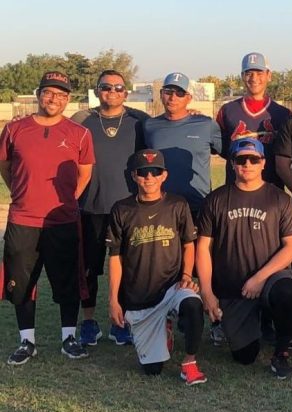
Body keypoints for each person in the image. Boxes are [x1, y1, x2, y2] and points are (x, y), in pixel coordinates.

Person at [2, 71, 95, 365]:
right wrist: (23, 193)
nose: (54, 99)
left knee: (67, 281)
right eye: (49, 92)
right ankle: (27, 341)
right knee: (21, 282)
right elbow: (5, 166)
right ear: (39, 94)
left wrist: (66, 200)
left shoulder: (79, 133)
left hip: (62, 221)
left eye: (61, 94)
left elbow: (84, 173)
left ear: (68, 99)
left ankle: (68, 338)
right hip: (23, 219)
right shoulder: (14, 129)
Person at [196, 139, 292, 379]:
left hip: (270, 277)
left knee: (287, 291)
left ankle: (281, 354)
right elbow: (202, 247)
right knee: (244, 356)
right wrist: (207, 291)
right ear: (232, 164)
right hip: (234, 287)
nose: (247, 164)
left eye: (254, 159)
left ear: (263, 163)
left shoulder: (279, 198)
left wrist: (260, 278)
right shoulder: (216, 199)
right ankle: (247, 324)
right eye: (241, 159)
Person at [106, 149, 206, 385]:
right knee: (152, 370)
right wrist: (113, 300)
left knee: (193, 304)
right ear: (134, 176)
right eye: (143, 172)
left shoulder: (177, 204)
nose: (149, 177)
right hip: (139, 296)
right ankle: (164, 328)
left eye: (155, 171)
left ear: (164, 175)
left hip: (172, 286)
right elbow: (115, 257)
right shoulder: (122, 209)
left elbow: (188, 244)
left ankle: (189, 363)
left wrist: (186, 275)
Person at [70, 69, 149, 345]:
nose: (112, 92)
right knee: (89, 269)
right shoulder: (82, 120)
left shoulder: (140, 122)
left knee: (128, 267)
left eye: (118, 87)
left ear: (126, 92)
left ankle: (121, 321)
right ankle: (89, 322)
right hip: (91, 206)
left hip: (128, 208)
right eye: (106, 87)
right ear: (97, 91)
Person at [144, 72, 222, 216]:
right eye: (168, 92)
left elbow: (224, 151)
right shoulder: (149, 126)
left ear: (189, 98)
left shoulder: (206, 124)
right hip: (161, 206)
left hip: (198, 205)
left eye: (180, 93)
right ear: (161, 94)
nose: (173, 98)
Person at [215, 52, 292, 187]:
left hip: (272, 189)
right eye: (249, 73)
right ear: (242, 76)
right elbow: (220, 148)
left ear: (269, 75)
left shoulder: (284, 114)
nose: (254, 78)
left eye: (259, 73)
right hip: (236, 188)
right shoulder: (227, 110)